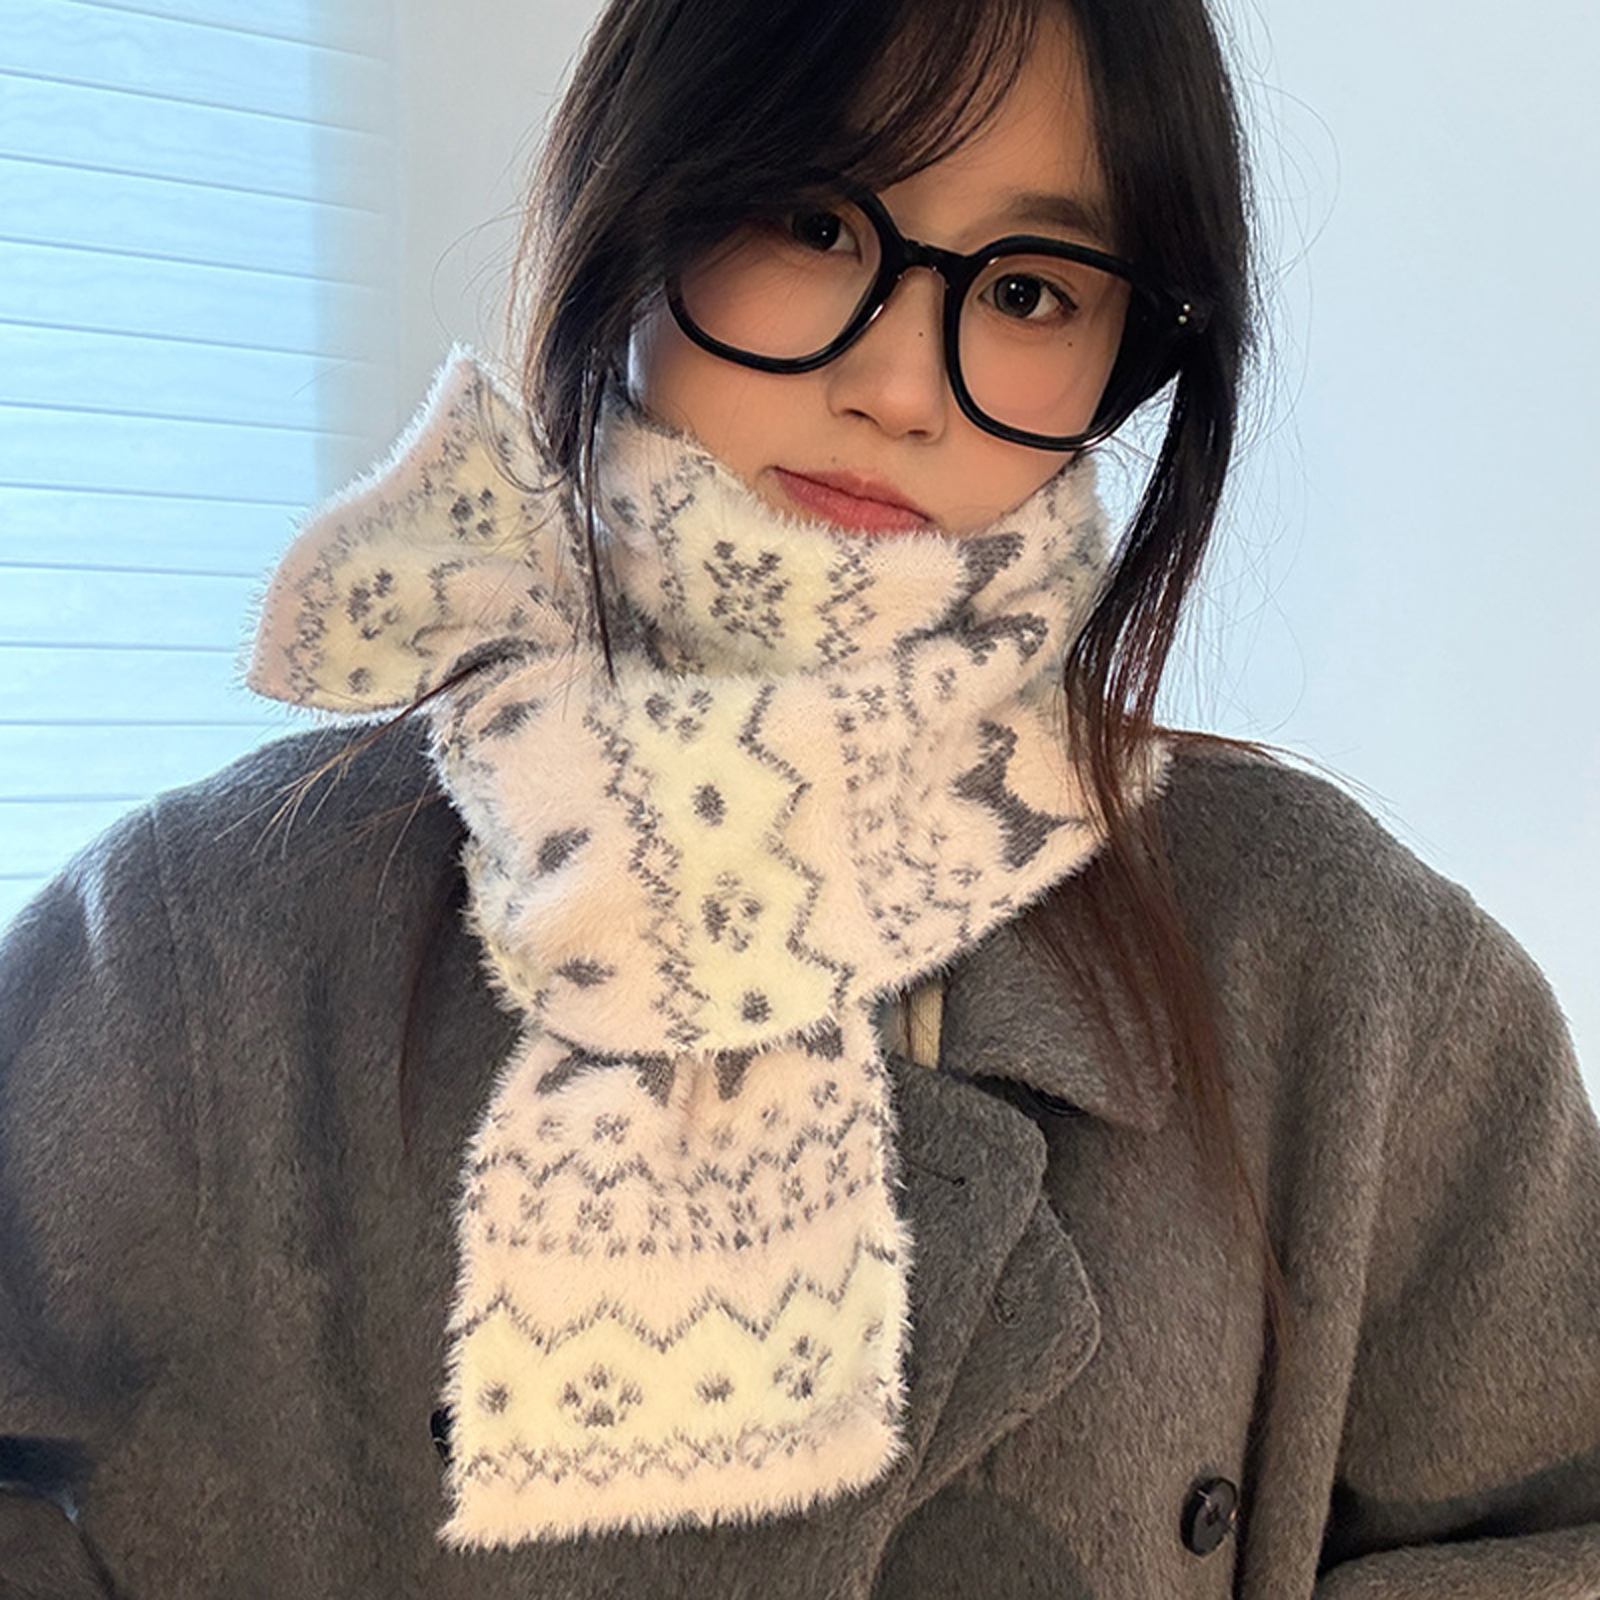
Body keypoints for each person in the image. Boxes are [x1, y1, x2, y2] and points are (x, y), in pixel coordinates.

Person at [1, 0, 1597, 1594]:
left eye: (1028, 290)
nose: (899, 381)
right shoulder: (198, 945)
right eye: (818, 223)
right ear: (639, 203)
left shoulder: (1343, 976)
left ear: (1132, 355)